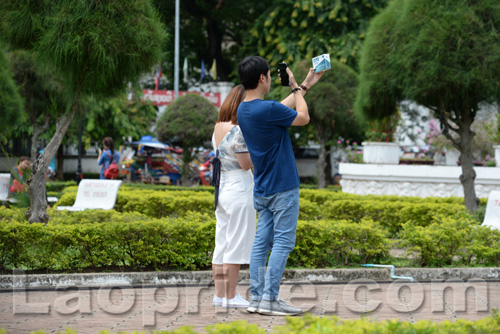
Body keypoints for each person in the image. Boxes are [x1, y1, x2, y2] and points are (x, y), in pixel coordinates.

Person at [236, 56, 324, 316]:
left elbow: (279, 109)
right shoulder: (268, 109)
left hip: (262, 186)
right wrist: (295, 86)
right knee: (284, 242)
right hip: (283, 185)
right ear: (262, 78)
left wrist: (305, 84)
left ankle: (257, 298)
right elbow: (303, 116)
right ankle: (271, 299)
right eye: (270, 75)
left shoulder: (245, 109)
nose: (273, 79)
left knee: (261, 243)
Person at [211, 85, 256, 309]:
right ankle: (231, 296)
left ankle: (220, 295)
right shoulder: (239, 129)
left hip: (222, 187)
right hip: (239, 186)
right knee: (236, 244)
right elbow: (245, 163)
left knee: (222, 244)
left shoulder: (218, 126)